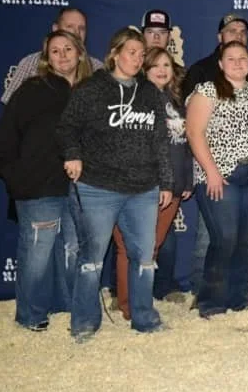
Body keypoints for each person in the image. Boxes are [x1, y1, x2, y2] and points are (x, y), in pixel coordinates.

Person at [57, 27, 172, 342]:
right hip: (98, 186)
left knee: (144, 257)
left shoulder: (150, 93)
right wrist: (73, 156)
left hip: (143, 188)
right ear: (115, 53)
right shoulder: (92, 88)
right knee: (92, 259)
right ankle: (84, 323)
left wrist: (166, 181)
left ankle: (144, 318)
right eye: (131, 52)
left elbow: (160, 140)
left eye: (141, 54)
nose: (137, 59)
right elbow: (67, 127)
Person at [0, 30, 91, 331]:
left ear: (80, 53)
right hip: (38, 187)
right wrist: (18, 179)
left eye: (68, 49)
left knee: (74, 250)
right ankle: (31, 315)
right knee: (38, 251)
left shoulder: (91, 91)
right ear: (46, 58)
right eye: (55, 51)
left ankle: (72, 308)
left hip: (82, 188)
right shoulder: (31, 90)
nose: (62, 55)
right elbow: (5, 140)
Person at [185, 40, 248, 318]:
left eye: (242, 58)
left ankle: (238, 297)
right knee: (225, 238)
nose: (237, 63)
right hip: (219, 175)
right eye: (230, 58)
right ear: (220, 64)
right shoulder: (207, 90)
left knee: (245, 239)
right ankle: (211, 301)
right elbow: (194, 133)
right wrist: (211, 171)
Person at [109, 47, 193, 319]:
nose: (162, 70)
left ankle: (139, 301)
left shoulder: (175, 100)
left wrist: (186, 179)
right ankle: (127, 305)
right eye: (155, 65)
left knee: (151, 246)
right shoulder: (137, 99)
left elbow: (184, 143)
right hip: (144, 185)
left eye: (166, 65)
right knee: (130, 246)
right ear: (144, 69)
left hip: (174, 185)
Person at [2, 7, 103, 103]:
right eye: (70, 27)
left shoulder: (97, 67)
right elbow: (11, 104)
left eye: (81, 28)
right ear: (55, 28)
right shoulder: (30, 63)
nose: (76, 33)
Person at [182, 13, 248, 99]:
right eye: (232, 31)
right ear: (220, 37)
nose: (239, 36)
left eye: (243, 32)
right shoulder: (200, 71)